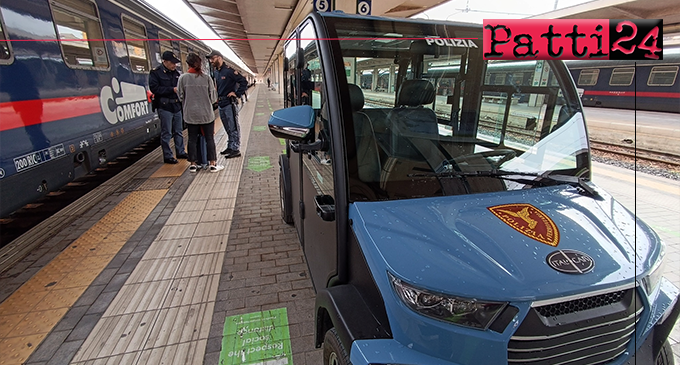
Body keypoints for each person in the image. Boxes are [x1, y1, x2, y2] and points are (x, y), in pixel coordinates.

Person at [177, 53, 224, 173]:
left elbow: (180, 96)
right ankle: (212, 164)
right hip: (206, 114)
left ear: (187, 64)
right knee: (209, 139)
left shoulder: (182, 78)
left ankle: (193, 164)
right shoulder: (207, 78)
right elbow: (213, 98)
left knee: (192, 138)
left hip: (190, 115)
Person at [206, 50, 248, 159]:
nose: (211, 61)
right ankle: (230, 146)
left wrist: (237, 93)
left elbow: (244, 81)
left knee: (233, 125)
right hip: (221, 103)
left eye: (212, 58)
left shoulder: (229, 71)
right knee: (227, 126)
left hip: (230, 103)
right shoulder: (216, 72)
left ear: (219, 57)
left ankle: (236, 148)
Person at [149, 51, 187, 164]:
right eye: (172, 63)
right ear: (164, 61)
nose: (174, 65)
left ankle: (180, 152)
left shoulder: (176, 73)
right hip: (164, 107)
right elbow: (154, 89)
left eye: (175, 63)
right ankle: (168, 155)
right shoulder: (155, 73)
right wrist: (171, 89)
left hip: (176, 106)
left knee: (178, 131)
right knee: (167, 133)